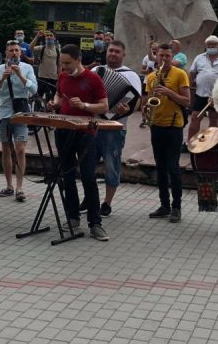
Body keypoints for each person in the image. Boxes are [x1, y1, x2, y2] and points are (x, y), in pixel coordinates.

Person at [49, 44, 110, 241]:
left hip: (86, 133)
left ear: (78, 59)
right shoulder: (63, 77)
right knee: (67, 177)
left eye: (67, 63)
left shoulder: (93, 78)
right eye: (62, 63)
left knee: (88, 177)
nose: (64, 67)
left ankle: (95, 223)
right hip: (64, 130)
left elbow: (104, 106)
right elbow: (59, 93)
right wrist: (56, 102)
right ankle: (73, 217)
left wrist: (84, 105)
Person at [93, 40, 142, 217]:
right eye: (111, 51)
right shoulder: (95, 71)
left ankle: (107, 202)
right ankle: (90, 198)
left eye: (117, 52)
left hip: (115, 126)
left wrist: (127, 109)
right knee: (87, 164)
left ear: (123, 55)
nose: (113, 54)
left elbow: (136, 101)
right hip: (92, 124)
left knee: (111, 165)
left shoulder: (131, 75)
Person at [146, 44, 191, 222]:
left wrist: (169, 92)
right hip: (156, 124)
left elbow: (187, 101)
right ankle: (164, 205)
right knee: (160, 167)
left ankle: (177, 207)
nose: (163, 59)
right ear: (156, 56)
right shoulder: (151, 76)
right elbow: (149, 100)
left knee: (173, 167)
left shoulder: (180, 74)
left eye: (167, 56)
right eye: (161, 56)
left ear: (172, 57)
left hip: (174, 125)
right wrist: (146, 107)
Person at [0, 40, 38, 201]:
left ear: (20, 52)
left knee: (20, 149)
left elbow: (34, 89)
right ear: (6, 53)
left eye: (17, 50)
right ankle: (9, 185)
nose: (14, 53)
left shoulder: (27, 68)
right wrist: (3, 79)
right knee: (6, 148)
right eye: (11, 50)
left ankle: (19, 187)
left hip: (21, 113)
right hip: (4, 113)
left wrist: (20, 76)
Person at [188, 35, 218, 141]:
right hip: (200, 93)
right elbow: (192, 73)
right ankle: (190, 142)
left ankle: (211, 144)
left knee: (213, 118)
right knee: (195, 117)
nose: (211, 47)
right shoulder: (199, 58)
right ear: (205, 46)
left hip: (217, 95)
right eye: (208, 45)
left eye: (213, 45)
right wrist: (191, 87)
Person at [30, 29, 60, 102]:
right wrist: (37, 36)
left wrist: (60, 76)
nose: (49, 37)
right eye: (47, 35)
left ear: (54, 38)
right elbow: (31, 48)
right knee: (38, 98)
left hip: (54, 78)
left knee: (53, 99)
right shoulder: (41, 48)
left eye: (51, 35)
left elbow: (59, 64)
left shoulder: (57, 50)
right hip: (42, 77)